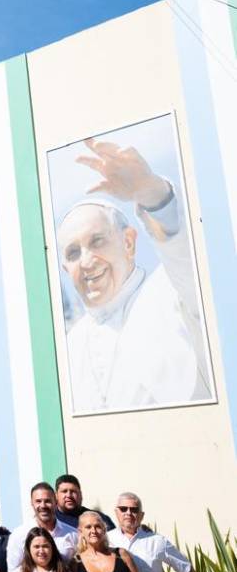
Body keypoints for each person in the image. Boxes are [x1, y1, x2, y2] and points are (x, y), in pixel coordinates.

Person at [56, 137, 212, 413]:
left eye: (97, 241)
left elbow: (188, 256)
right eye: (72, 253)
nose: (87, 261)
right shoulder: (67, 347)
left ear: (128, 242)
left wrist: (151, 193)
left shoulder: (173, 292)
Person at [7, 483, 78, 572]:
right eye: (38, 501)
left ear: (55, 502)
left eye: (47, 501)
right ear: (32, 503)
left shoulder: (73, 534)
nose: (43, 506)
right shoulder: (19, 535)